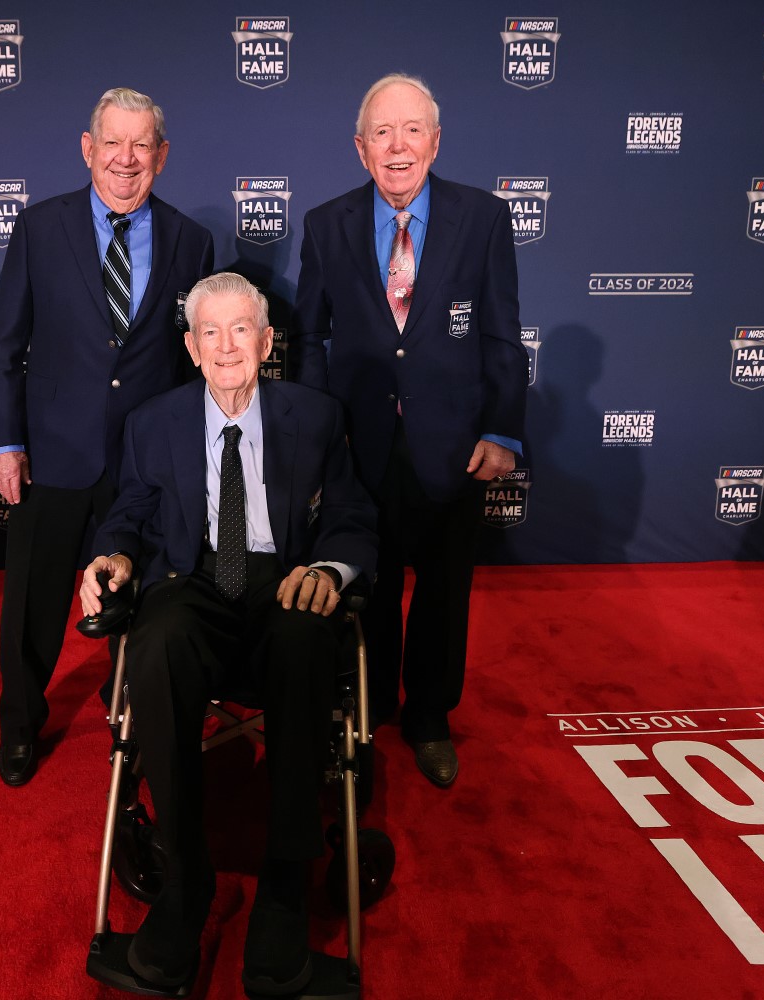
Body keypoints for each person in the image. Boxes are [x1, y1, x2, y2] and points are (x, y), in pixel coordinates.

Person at [79, 273, 378, 995]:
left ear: (267, 341)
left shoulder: (317, 415)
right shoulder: (153, 423)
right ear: (190, 346)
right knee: (156, 638)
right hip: (197, 583)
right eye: (209, 332)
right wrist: (113, 556)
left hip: (286, 581)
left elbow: (350, 516)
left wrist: (332, 572)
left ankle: (284, 884)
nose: (225, 346)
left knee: (308, 634)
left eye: (241, 329)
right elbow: (128, 514)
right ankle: (185, 881)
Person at [290, 73, 527, 788]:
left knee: (443, 589)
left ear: (435, 140)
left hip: (453, 445)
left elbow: (503, 336)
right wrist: (315, 439)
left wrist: (504, 432)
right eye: (383, 134)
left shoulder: (482, 218)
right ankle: (371, 704)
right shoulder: (326, 223)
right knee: (372, 580)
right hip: (360, 446)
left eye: (412, 130)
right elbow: (308, 337)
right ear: (361, 149)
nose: (399, 147)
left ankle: (429, 717)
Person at [0, 88, 214, 787]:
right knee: (33, 604)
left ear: (162, 157)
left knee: (141, 601)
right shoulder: (38, 227)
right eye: (113, 143)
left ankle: (135, 721)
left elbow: (190, 357)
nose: (126, 158)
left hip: (142, 466)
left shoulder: (191, 241)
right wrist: (3, 444)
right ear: (88, 149)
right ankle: (20, 724)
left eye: (141, 145)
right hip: (51, 455)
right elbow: (4, 347)